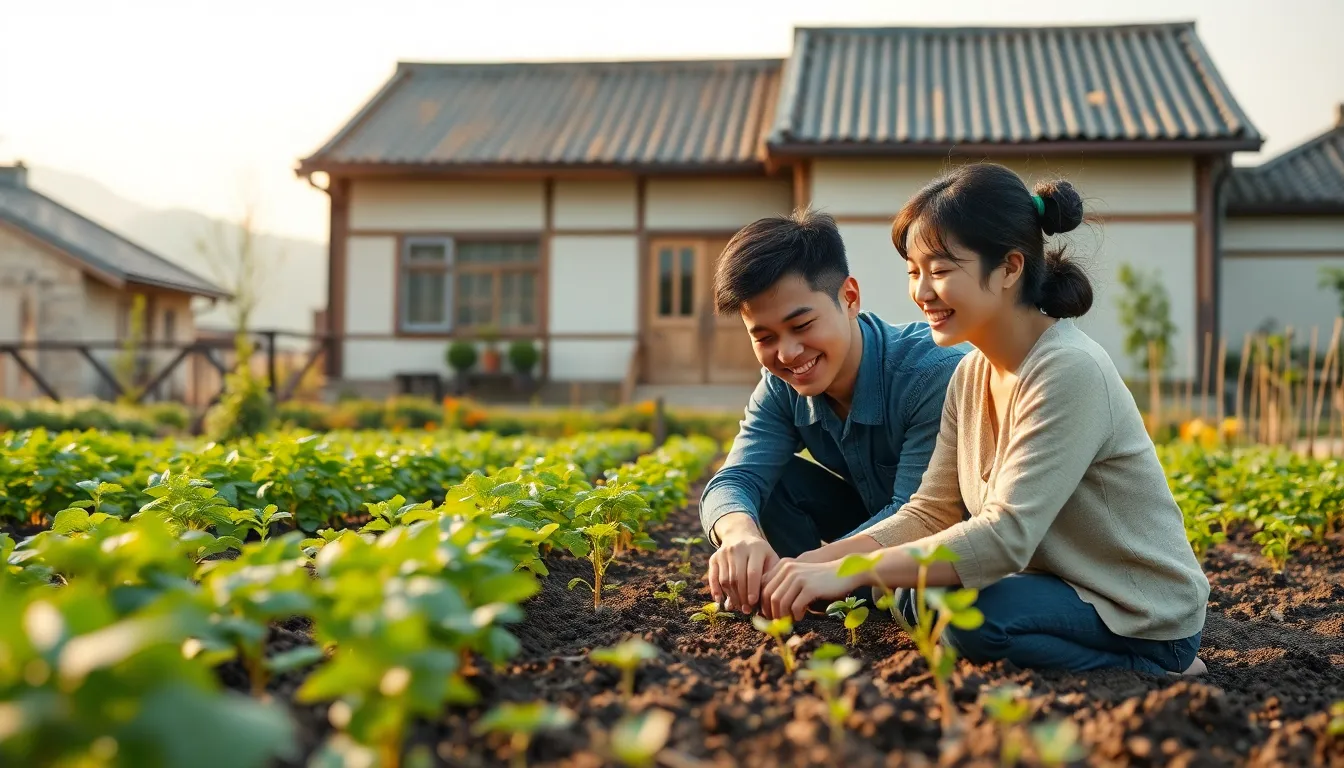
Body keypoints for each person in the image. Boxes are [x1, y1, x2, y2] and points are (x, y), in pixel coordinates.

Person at [757, 163, 1210, 677]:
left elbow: (1005, 536)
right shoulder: (973, 372)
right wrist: (814, 564)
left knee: (968, 621)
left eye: (942, 270)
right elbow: (930, 512)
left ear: (1010, 268)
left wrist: (849, 571)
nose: (922, 292)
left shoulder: (1067, 370)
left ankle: (1157, 668)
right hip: (1053, 589)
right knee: (918, 597)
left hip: (1137, 613)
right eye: (913, 272)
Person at [700, 208, 967, 616]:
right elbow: (736, 477)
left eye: (803, 325)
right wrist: (738, 535)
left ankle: (817, 589)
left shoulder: (931, 372)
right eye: (765, 337)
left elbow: (923, 513)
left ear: (850, 298)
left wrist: (817, 565)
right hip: (871, 528)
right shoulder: (780, 384)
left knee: (925, 605)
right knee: (769, 487)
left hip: (943, 540)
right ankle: (798, 598)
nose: (787, 353)